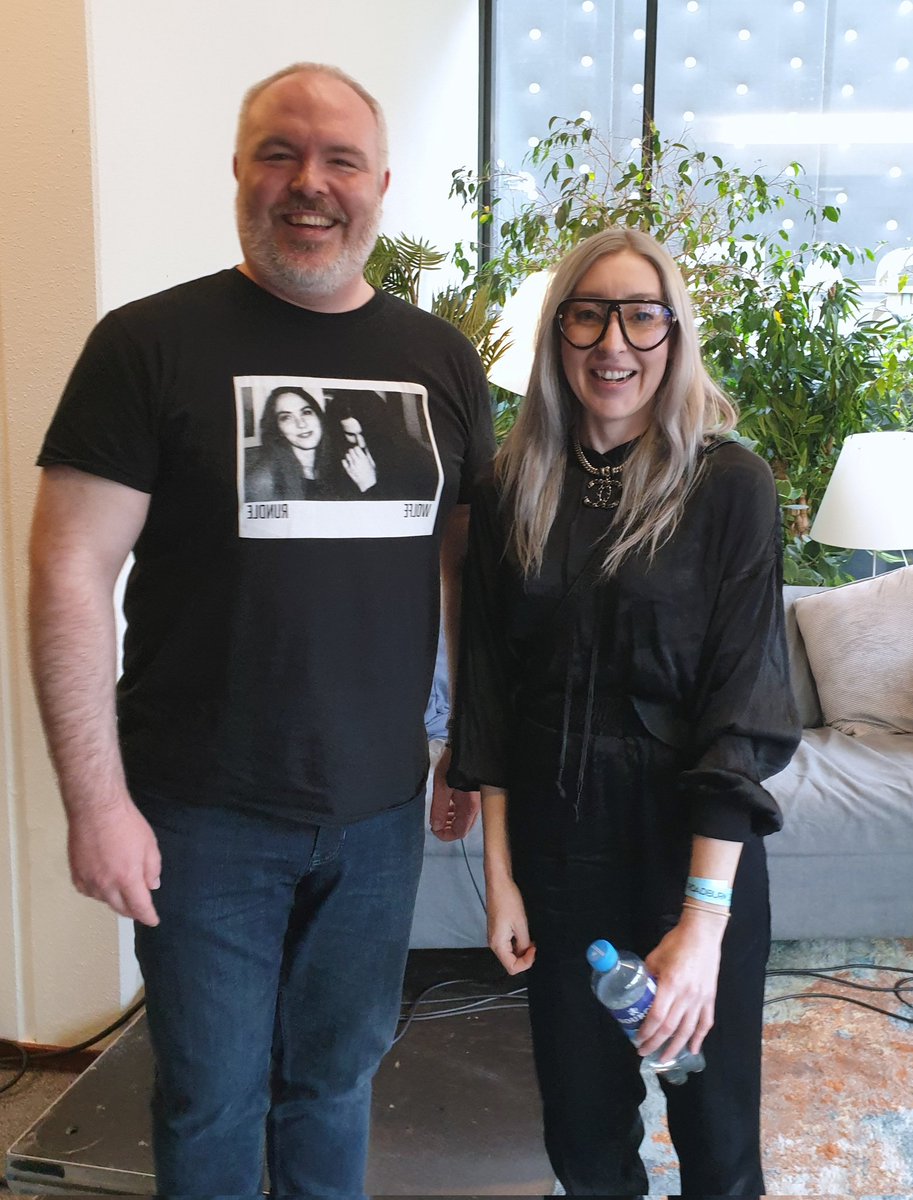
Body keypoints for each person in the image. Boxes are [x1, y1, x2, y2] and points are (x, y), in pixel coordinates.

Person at [29, 62, 494, 1198]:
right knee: (210, 1099)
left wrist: (465, 745)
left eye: (339, 160)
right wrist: (97, 805)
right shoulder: (147, 345)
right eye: (280, 152)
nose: (309, 184)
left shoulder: (437, 360)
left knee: (335, 1086)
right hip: (198, 819)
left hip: (379, 815)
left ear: (381, 184)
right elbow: (68, 570)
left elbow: (467, 568)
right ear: (238, 170)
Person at [448, 227, 801, 1198]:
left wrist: (702, 925)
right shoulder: (509, 488)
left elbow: (742, 710)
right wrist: (503, 878)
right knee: (584, 1135)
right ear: (556, 335)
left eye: (642, 315)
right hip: (561, 855)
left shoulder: (728, 485)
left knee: (715, 1133)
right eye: (589, 313)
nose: (615, 342)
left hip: (689, 847)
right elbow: (491, 693)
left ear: (674, 334)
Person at [245, 384, 352, 500]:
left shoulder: (343, 464)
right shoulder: (263, 481)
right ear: (277, 429)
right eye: (286, 417)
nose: (301, 424)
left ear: (319, 417)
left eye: (306, 412)